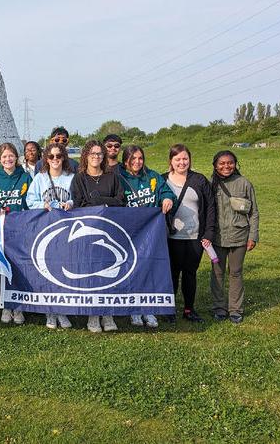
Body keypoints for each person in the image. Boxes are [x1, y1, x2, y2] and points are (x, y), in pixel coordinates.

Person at [70, 140, 125, 333]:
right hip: (88, 232)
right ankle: (93, 315)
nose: (96, 157)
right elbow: (78, 203)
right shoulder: (79, 178)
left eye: (99, 153)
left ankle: (108, 313)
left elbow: (120, 200)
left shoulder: (112, 177)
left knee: (110, 270)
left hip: (109, 230)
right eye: (92, 153)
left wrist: (98, 200)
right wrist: (95, 206)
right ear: (86, 156)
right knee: (92, 272)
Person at [117, 145, 175, 329]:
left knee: (150, 268)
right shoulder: (119, 179)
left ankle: (149, 309)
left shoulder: (152, 176)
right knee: (133, 269)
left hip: (151, 232)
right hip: (130, 232)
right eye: (132, 158)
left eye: (140, 158)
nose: (137, 162)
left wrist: (167, 198)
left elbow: (166, 191)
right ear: (125, 160)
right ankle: (134, 309)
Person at [163, 144, 216, 323]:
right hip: (171, 238)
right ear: (171, 160)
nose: (182, 162)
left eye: (185, 158)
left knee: (190, 273)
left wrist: (208, 233)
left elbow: (210, 208)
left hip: (195, 237)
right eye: (177, 159)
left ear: (190, 160)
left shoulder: (199, 180)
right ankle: (169, 310)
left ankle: (188, 309)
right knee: (171, 274)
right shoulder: (162, 180)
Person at [26, 142, 74, 329]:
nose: (55, 159)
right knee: (47, 269)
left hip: (66, 229)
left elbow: (77, 197)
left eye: (58, 156)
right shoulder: (40, 178)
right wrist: (42, 206)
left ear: (63, 158)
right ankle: (49, 312)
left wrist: (69, 202)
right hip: (45, 228)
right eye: (51, 156)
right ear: (46, 158)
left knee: (64, 270)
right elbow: (29, 200)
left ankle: (62, 311)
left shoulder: (71, 177)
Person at [0, 142, 33, 325]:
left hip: (21, 229)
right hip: (0, 229)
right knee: (3, 267)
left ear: (16, 157)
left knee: (20, 266)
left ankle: (19, 307)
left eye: (11, 156)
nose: (7, 159)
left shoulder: (25, 178)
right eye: (4, 156)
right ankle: (6, 306)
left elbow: (31, 200)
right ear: (0, 159)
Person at [210, 150, 259, 324]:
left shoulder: (244, 183)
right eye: (222, 163)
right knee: (217, 272)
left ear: (235, 164)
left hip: (239, 237)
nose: (226, 166)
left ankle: (235, 310)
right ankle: (219, 308)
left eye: (230, 163)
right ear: (215, 165)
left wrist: (253, 236)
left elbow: (253, 213)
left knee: (236, 273)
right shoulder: (210, 184)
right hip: (216, 239)